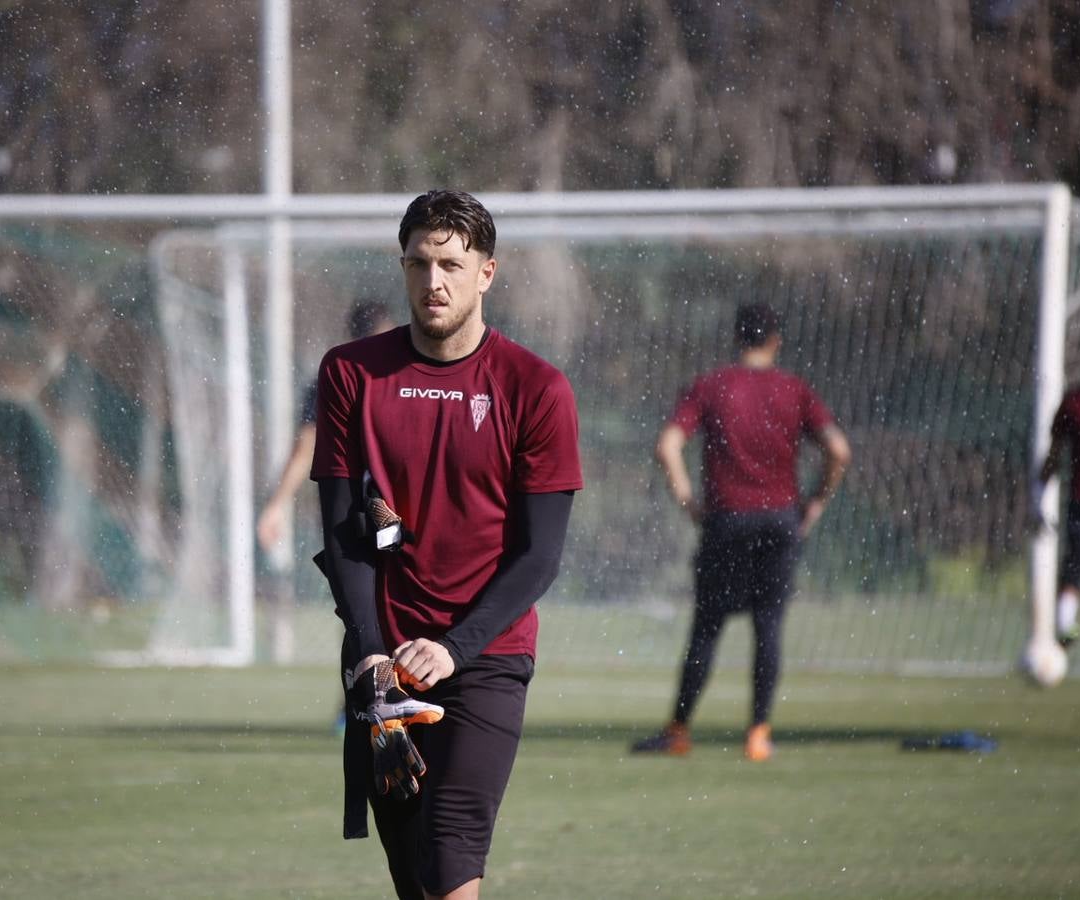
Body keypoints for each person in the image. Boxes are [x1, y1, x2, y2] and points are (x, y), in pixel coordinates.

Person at [311, 190, 582, 899]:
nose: (433, 282)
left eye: (452, 266)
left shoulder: (537, 388)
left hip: (486, 655)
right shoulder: (349, 373)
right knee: (414, 880)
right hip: (384, 663)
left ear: (486, 273)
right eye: (418, 264)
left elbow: (540, 555)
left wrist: (456, 647)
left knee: (451, 856)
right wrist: (370, 649)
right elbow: (342, 530)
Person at [633, 303, 850, 762]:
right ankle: (758, 734)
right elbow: (839, 450)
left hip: (727, 520)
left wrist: (689, 501)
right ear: (775, 340)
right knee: (768, 624)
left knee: (707, 627)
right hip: (780, 521)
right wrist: (816, 501)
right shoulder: (794, 390)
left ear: (737, 338)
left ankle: (678, 730)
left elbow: (668, 445)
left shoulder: (712, 387)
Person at [256, 300, 395, 553]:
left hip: (349, 513)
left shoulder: (335, 378)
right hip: (382, 510)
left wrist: (277, 504)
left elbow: (306, 447)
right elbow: (307, 445)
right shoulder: (396, 381)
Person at [1036, 325, 1080, 648]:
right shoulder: (1075, 403)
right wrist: (1038, 497)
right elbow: (1054, 454)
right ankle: (1064, 624)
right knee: (1077, 559)